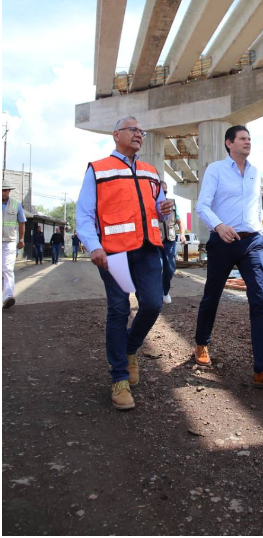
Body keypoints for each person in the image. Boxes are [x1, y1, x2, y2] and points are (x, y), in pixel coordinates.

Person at [76, 116, 174, 410]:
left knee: (154, 304)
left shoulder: (150, 171)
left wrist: (164, 210)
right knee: (119, 310)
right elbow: (84, 214)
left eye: (141, 130)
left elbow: (156, 211)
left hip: (146, 249)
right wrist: (94, 246)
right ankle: (119, 379)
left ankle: (130, 349)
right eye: (133, 129)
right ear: (115, 134)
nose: (139, 134)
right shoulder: (99, 169)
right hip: (113, 253)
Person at [193, 125, 263, 389]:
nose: (248, 142)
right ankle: (201, 343)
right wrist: (219, 226)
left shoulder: (255, 173)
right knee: (212, 295)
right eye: (243, 138)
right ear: (229, 143)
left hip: (252, 243)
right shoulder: (215, 169)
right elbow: (202, 205)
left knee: (259, 298)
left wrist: (262, 239)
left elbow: (255, 211)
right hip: (223, 240)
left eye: (250, 139)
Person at [2, 184, 26, 309]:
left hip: (9, 241)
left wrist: (21, 239)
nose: (3, 193)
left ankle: (7, 297)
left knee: (7, 269)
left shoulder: (16, 205)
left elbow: (22, 222)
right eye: (1, 190)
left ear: (9, 191)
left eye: (5, 190)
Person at [160, 205, 178, 304]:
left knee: (170, 269)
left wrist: (183, 234)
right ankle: (157, 294)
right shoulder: (149, 200)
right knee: (157, 267)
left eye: (165, 191)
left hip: (170, 241)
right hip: (155, 241)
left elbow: (179, 220)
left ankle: (165, 292)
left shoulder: (173, 204)